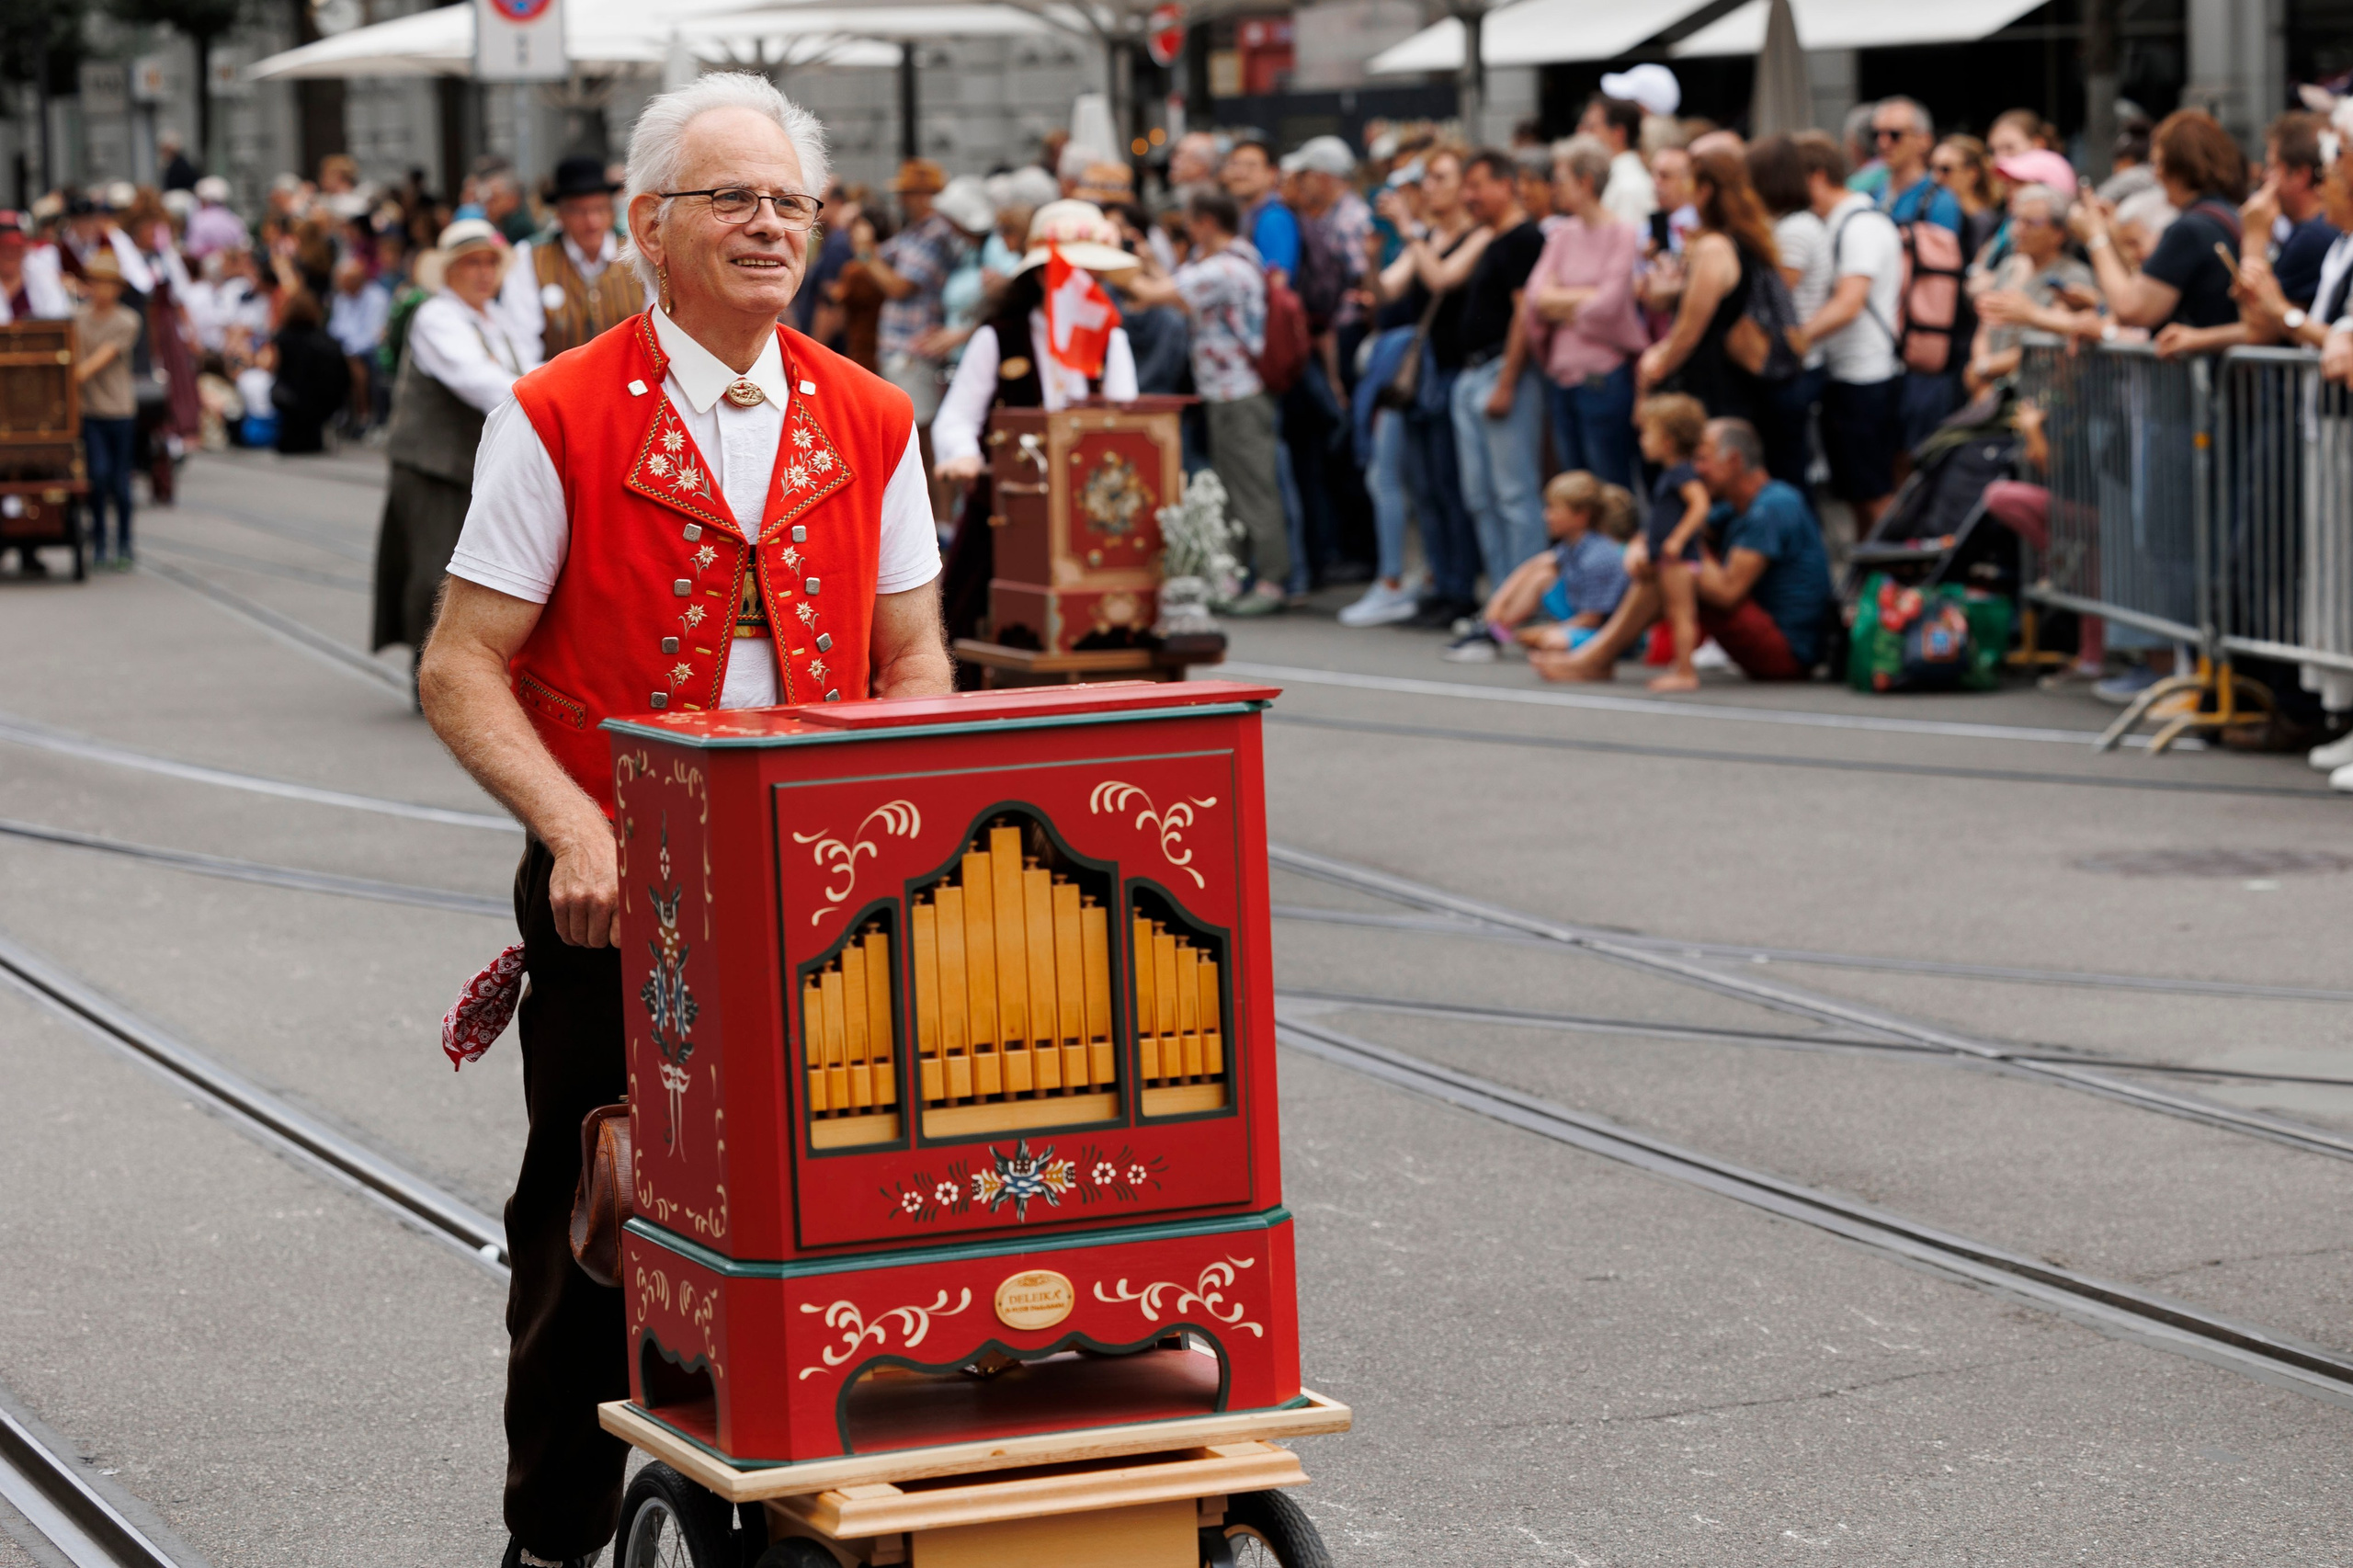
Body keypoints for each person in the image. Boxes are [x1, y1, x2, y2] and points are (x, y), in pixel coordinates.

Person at [416, 74, 950, 1568]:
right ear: (653, 225)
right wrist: (575, 828)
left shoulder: (870, 414)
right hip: (618, 893)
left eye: (791, 200)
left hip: (829, 885)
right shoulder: (560, 412)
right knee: (599, 1223)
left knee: (845, 1204)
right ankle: (557, 1533)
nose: (770, 224)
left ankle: (816, 1501)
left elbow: (915, 657)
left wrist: (895, 816)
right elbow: (460, 666)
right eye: (735, 198)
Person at [930, 200, 1139, 653]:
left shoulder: (1112, 340)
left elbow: (1127, 425)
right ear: (1046, 276)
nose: (1092, 287)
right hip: (1008, 505)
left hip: (1090, 512)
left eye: (1096, 276)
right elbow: (957, 416)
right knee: (962, 612)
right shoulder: (998, 335)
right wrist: (963, 454)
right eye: (1079, 273)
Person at [1536, 418, 1831, 685]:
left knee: (1674, 562)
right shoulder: (1735, 506)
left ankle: (1597, 657)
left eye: (1702, 459)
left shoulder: (1773, 506)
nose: (1696, 470)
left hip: (1788, 653)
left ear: (1734, 460)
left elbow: (1728, 594)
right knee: (1668, 560)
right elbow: (1674, 534)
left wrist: (1671, 543)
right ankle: (1597, 656)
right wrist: (1648, 546)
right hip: (1769, 638)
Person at [370, 219, 532, 687]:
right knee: (433, 574)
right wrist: (549, 403)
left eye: (489, 263)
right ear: (448, 272)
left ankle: (467, 672)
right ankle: (431, 679)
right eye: (471, 264)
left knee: (479, 571)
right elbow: (477, 380)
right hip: (433, 464)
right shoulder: (436, 316)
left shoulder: (497, 320)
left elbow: (531, 366)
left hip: (473, 464)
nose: (483, 273)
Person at [1120, 190, 1288, 613]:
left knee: (1252, 488)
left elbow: (1155, 293)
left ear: (1208, 222)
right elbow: (1176, 289)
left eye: (1191, 223)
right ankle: (1233, 579)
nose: (1187, 231)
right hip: (1227, 390)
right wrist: (1145, 259)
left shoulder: (1223, 269)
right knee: (1231, 489)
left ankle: (1271, 582)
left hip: (1238, 392)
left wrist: (1111, 264)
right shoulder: (1237, 257)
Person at [1350, 147, 1484, 631]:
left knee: (1451, 486)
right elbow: (1387, 289)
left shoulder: (1477, 235)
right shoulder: (1426, 235)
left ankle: (1461, 589)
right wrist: (1370, 260)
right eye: (1427, 178)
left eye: (1439, 177)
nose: (1429, 187)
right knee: (1424, 486)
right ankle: (1440, 583)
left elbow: (1442, 279)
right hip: (1423, 376)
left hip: (1454, 372)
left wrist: (1408, 229)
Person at [1446, 149, 1550, 610]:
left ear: (1506, 185)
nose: (1469, 197)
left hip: (1499, 373)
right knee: (1481, 497)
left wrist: (1507, 380)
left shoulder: (1525, 238)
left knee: (1514, 494)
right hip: (1473, 375)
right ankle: (1502, 601)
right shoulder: (1490, 238)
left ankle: (1526, 601)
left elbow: (1524, 312)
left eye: (1477, 186)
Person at [1795, 134, 1905, 529]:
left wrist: (1797, 338)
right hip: (1847, 375)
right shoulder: (1841, 222)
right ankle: (1870, 583)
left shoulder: (1861, 225)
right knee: (1859, 493)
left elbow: (1849, 301)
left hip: (1865, 376)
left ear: (1817, 177)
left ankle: (1893, 585)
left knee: (1874, 493)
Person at [1522, 135, 1643, 491]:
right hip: (1561, 377)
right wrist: (1583, 297)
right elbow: (1534, 297)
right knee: (1574, 487)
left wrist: (1559, 302)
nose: (1555, 189)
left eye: (1561, 180)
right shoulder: (1561, 233)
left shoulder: (1623, 233)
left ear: (1585, 182)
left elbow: (1608, 305)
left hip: (1603, 377)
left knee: (1609, 485)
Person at [2075, 108, 2247, 355]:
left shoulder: (2190, 230)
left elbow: (2133, 308)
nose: (2155, 174)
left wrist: (2095, 236)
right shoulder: (2227, 215)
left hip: (2205, 379)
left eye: (2157, 163)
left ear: (2179, 165)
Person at [1635, 147, 1775, 430]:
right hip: (1730, 382)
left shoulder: (1714, 247)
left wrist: (1655, 368)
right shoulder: (1738, 237)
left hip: (1716, 385)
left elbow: (1689, 331)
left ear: (1705, 190)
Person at [1446, 469, 1635, 661]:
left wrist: (1543, 632)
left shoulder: (1598, 557)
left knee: (1553, 641)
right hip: (1579, 620)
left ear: (1581, 516)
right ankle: (1492, 632)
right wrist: (1496, 607)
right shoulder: (1572, 546)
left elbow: (1591, 620)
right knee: (1543, 574)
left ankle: (1499, 635)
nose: (1546, 515)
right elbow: (1535, 565)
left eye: (1554, 509)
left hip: (1606, 633)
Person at [857, 159, 972, 455]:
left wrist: (865, 252)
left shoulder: (935, 233)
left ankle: (931, 503)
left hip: (914, 349)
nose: (901, 201)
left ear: (925, 196)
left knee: (919, 440)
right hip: (903, 349)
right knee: (908, 435)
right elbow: (883, 259)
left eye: (906, 194)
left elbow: (898, 286)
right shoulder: (916, 231)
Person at [499, 155, 642, 363]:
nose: (592, 221)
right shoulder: (532, 257)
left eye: (599, 209)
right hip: (558, 386)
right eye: (579, 211)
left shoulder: (635, 253)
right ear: (560, 215)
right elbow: (521, 342)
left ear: (611, 211)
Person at [1749, 133, 1832, 487]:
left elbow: (1775, 298)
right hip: (1795, 364)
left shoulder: (1795, 230)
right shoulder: (1793, 225)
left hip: (1794, 366)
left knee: (1789, 470)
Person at [1967, 184, 2097, 387]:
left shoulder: (2072, 275)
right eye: (2016, 220)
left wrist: (1986, 368)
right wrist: (1981, 363)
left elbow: (2053, 342)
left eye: (2031, 223)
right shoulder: (2009, 267)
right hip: (1992, 387)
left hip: (2036, 392)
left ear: (2058, 233)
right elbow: (1985, 325)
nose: (2018, 230)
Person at [74, 249, 143, 569]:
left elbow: (101, 358)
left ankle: (125, 542)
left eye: (107, 283)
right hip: (90, 411)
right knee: (97, 477)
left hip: (119, 410)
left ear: (117, 288)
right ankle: (100, 540)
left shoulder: (127, 320)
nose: (100, 289)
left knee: (120, 481)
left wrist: (69, 376)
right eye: (95, 282)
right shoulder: (77, 319)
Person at [269, 290, 351, 454]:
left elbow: (269, 365)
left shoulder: (282, 338)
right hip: (325, 405)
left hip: (291, 403)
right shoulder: (329, 341)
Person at [1873, 97, 1962, 233]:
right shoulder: (1872, 195)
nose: (1883, 143)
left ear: (1924, 140)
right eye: (1877, 134)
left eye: (1895, 135)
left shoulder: (1939, 201)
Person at [327, 256, 391, 430]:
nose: (342, 286)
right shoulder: (341, 298)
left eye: (346, 281)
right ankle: (335, 412)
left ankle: (365, 414)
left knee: (356, 365)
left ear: (359, 279)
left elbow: (374, 335)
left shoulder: (377, 298)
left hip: (370, 351)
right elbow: (335, 328)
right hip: (346, 350)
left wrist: (349, 349)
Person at [1222, 139, 1301, 278]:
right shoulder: (1242, 214)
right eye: (1234, 164)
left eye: (1251, 166)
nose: (1240, 173)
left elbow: (1277, 280)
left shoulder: (1274, 218)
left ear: (1272, 173)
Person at [1577, 95, 1655, 228]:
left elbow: (1627, 245)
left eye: (1591, 127)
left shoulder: (1629, 186)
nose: (1581, 133)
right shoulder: (1614, 177)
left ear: (1618, 133)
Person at [1934, 135, 2003, 261]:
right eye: (1933, 168)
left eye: (1945, 169)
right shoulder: (1934, 210)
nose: (1936, 178)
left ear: (1972, 173)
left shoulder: (1985, 222)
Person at [0, 210, 72, 323]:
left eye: (15, 247)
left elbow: (59, 315)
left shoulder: (41, 274)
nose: (9, 253)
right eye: (3, 248)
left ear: (25, 248)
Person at [184, 176, 249, 260]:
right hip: (230, 268)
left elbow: (192, 250)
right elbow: (244, 247)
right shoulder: (235, 221)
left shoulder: (198, 220)